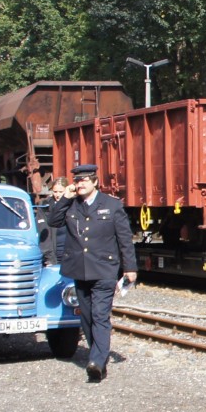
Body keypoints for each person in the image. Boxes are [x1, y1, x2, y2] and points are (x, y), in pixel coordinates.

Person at [47, 164, 137, 383]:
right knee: (86, 317)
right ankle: (98, 357)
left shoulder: (112, 205)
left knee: (99, 315)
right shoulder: (71, 205)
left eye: (85, 180)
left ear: (95, 182)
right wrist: (65, 198)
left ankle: (97, 361)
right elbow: (53, 221)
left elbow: (124, 239)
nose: (80, 184)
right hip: (79, 269)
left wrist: (130, 268)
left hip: (104, 269)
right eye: (77, 181)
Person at [39, 177, 69, 266]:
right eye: (55, 192)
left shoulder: (73, 204)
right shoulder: (45, 206)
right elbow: (43, 233)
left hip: (70, 254)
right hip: (53, 254)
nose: (58, 195)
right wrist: (49, 257)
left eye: (61, 192)